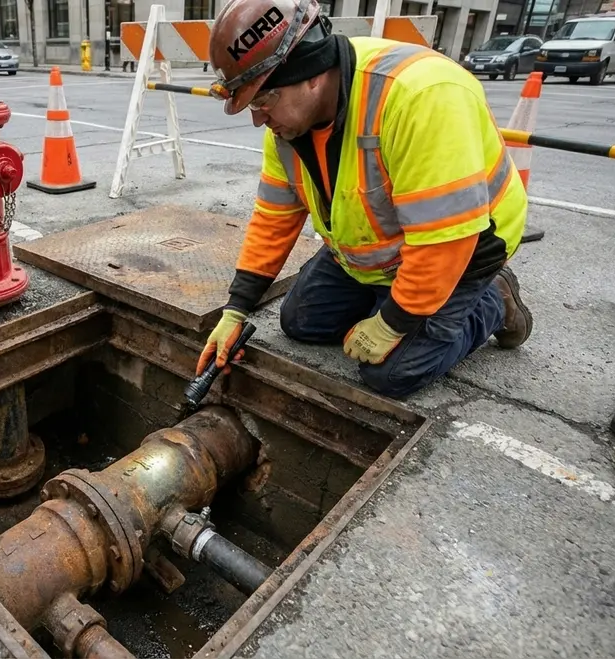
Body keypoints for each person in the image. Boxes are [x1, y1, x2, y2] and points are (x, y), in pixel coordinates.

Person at [197, 0, 533, 399]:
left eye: (262, 99)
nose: (258, 118)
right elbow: (273, 218)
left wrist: (392, 321)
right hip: (376, 256)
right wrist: (237, 307)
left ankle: (494, 298)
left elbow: (445, 239)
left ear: (310, 75)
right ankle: (392, 296)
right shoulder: (287, 129)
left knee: (390, 375)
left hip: (467, 251)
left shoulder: (421, 96)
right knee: (300, 322)